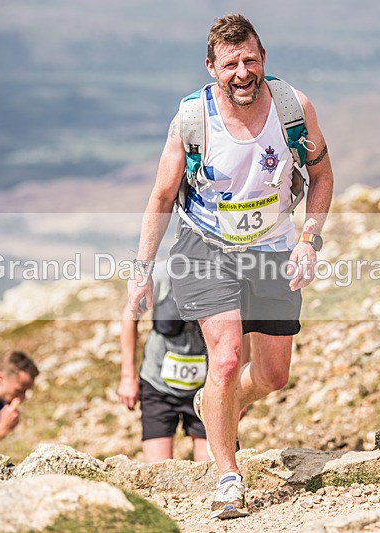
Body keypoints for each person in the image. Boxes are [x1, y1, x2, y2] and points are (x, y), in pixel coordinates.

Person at [127, 14, 333, 519]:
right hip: (205, 248)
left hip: (274, 248)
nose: (242, 72)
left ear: (263, 59)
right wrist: (141, 268)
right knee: (223, 360)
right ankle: (228, 477)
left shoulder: (293, 108)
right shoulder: (192, 120)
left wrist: (309, 239)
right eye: (230, 64)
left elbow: (323, 175)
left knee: (272, 376)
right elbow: (161, 195)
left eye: (250, 60)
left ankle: (214, 405)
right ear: (211, 67)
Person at [118, 260, 210, 462]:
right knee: (157, 471)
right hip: (157, 384)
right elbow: (130, 315)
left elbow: (240, 330)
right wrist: (127, 376)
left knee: (211, 472)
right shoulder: (162, 275)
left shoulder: (222, 276)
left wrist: (237, 386)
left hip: (207, 388)